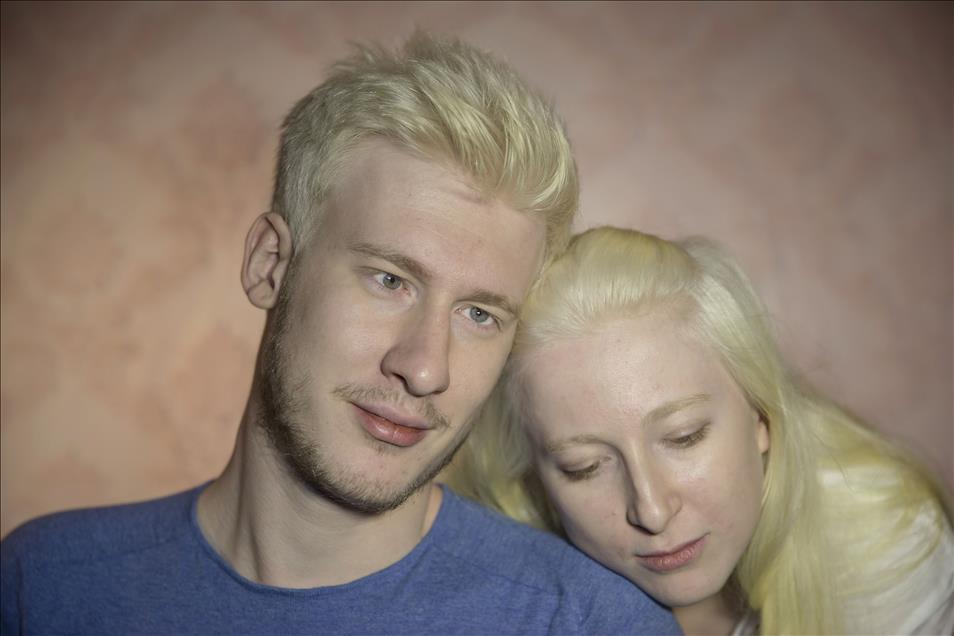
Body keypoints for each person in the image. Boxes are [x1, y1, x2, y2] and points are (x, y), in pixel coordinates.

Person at [0, 37, 680, 635]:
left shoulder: (589, 624)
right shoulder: (46, 586)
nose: (425, 368)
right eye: (390, 280)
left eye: (479, 314)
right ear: (270, 265)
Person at [447, 226, 954, 635]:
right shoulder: (502, 592)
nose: (651, 510)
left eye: (684, 437)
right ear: (536, 480)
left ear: (761, 417)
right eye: (584, 467)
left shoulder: (883, 547)